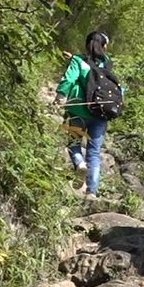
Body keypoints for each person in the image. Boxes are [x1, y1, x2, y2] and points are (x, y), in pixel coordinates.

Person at [56, 31, 113, 196]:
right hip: (101, 112)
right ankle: (92, 192)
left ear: (86, 44)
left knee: (73, 143)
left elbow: (69, 79)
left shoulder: (78, 61)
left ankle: (79, 163)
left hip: (77, 110)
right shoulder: (108, 63)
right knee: (94, 152)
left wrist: (59, 96)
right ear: (104, 46)